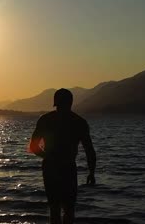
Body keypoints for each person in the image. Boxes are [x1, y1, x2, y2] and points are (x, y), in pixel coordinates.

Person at [29, 88, 96, 224]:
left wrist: (47, 156)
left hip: (50, 168)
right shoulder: (79, 122)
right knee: (69, 209)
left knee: (54, 209)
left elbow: (33, 147)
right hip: (68, 168)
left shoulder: (46, 119)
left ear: (55, 103)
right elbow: (89, 150)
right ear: (71, 103)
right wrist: (91, 172)